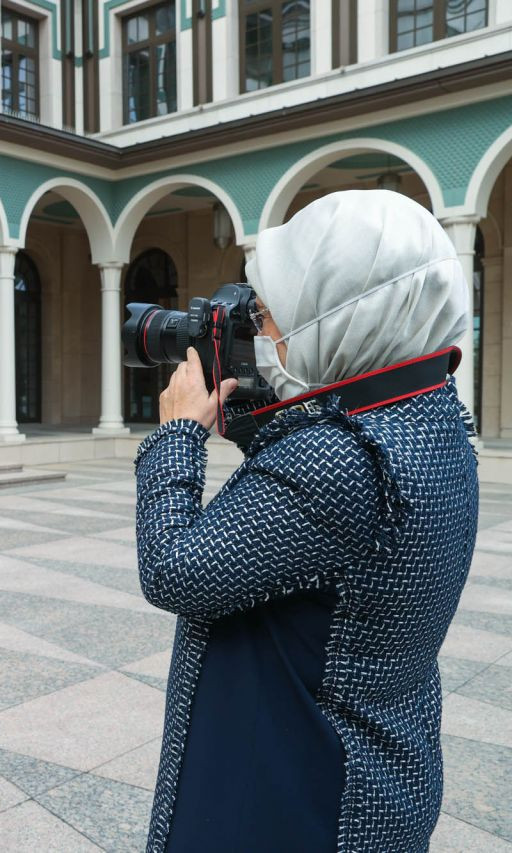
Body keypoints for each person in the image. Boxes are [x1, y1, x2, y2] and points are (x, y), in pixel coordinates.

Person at [135, 190, 477, 853]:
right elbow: (310, 530)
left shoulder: (340, 458)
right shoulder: (433, 417)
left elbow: (172, 569)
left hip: (299, 791)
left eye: (271, 315)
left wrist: (178, 434)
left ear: (341, 312)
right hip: (380, 766)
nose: (264, 335)